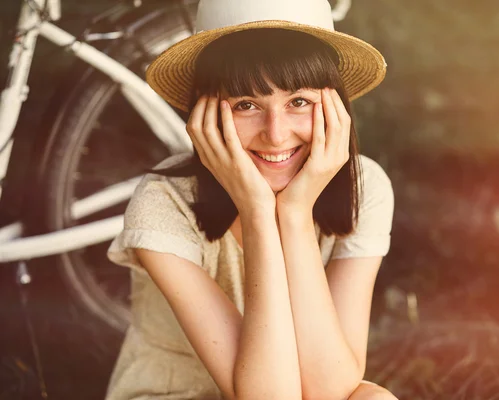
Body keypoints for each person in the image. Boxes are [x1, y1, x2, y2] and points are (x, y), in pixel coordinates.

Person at [105, 0, 396, 398]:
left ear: (335, 110)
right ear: (204, 116)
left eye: (299, 102)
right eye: (246, 105)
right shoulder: (163, 202)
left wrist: (293, 214)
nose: (275, 135)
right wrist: (258, 212)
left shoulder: (367, 189)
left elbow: (332, 390)